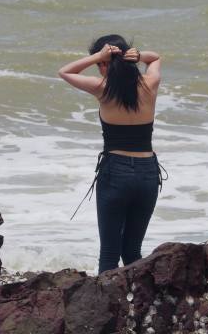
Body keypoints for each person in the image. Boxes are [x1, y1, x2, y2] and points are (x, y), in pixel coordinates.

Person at [58, 34, 163, 274]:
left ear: (104, 63)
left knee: (109, 255)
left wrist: (98, 56)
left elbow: (65, 72)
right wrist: (136, 56)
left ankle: (108, 310)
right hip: (147, 173)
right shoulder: (149, 83)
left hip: (116, 172)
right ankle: (136, 305)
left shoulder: (102, 88)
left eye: (99, 63)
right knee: (132, 252)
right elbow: (155, 57)